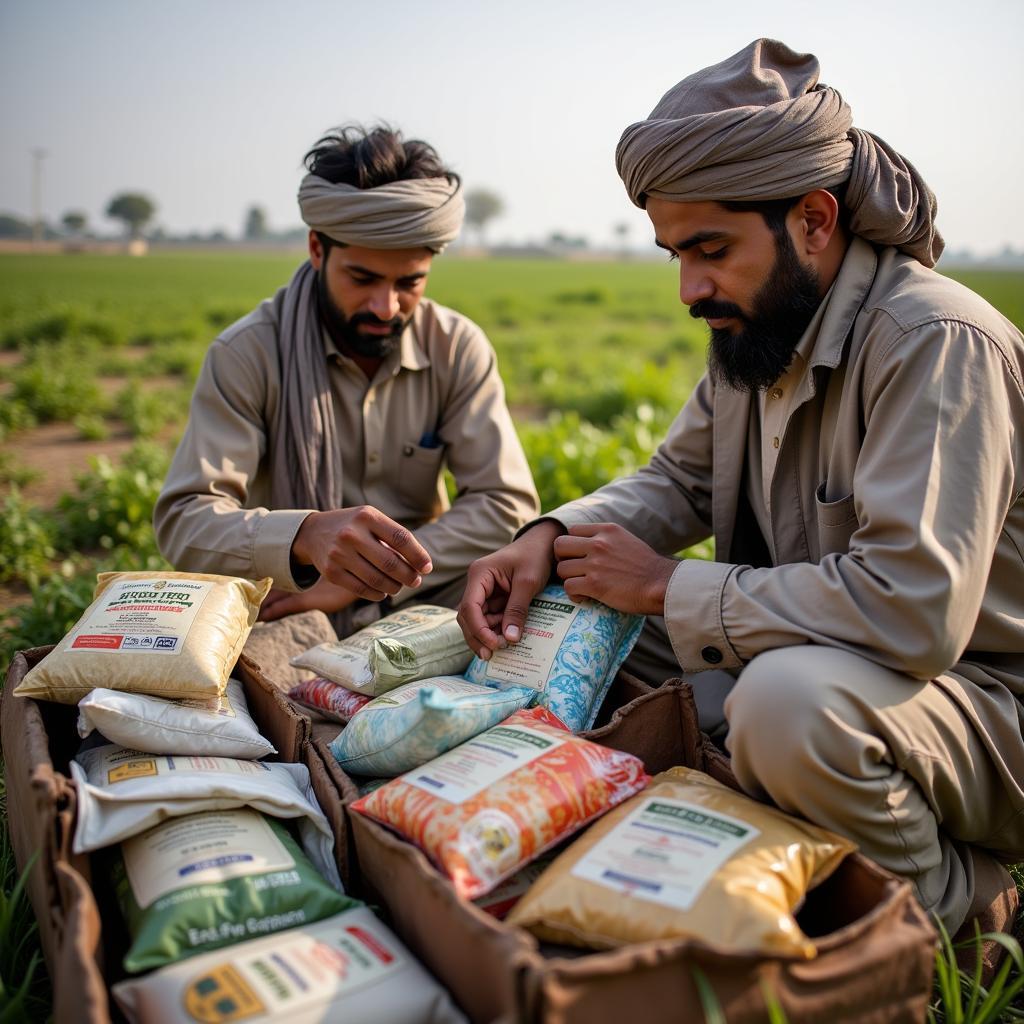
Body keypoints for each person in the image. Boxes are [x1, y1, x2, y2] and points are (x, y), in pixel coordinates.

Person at [458, 39, 1023, 952]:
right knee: (564, 611)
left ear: (812, 219)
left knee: (783, 707)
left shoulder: (935, 342)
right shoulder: (761, 326)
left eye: (711, 249)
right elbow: (676, 481)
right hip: (836, 660)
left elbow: (914, 610)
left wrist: (666, 590)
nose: (690, 288)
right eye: (674, 254)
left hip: (979, 701)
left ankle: (962, 917)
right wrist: (551, 536)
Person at [155, 125, 538, 633]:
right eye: (362, 279)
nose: (386, 306)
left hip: (420, 595)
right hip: (284, 600)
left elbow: (504, 502)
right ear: (317, 249)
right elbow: (186, 518)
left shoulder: (456, 346)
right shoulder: (247, 354)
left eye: (410, 283)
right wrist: (304, 537)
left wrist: (374, 575)